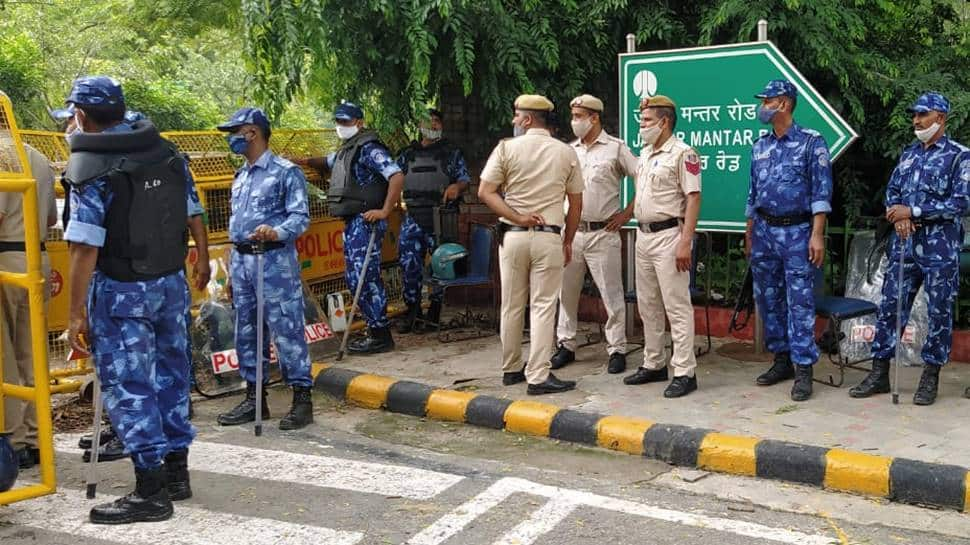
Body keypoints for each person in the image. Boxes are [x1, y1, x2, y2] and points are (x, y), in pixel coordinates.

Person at [63, 76, 207, 523]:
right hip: (169, 284)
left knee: (130, 386)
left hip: (121, 290)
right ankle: (176, 475)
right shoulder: (165, 153)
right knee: (172, 376)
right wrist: (199, 257)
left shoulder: (91, 167)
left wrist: (74, 315)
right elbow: (191, 210)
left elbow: (84, 247)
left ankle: (150, 492)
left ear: (82, 115)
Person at [850, 92, 970, 405]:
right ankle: (879, 373)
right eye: (914, 115)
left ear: (940, 119)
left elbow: (961, 203)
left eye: (923, 115)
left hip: (939, 247)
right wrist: (898, 215)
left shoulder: (960, 156)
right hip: (904, 243)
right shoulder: (909, 154)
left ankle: (930, 376)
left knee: (939, 310)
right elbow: (892, 193)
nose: (916, 121)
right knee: (891, 306)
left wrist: (914, 213)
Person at [214, 107, 314, 429]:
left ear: (253, 133)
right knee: (248, 331)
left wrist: (277, 231)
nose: (232, 139)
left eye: (235, 132)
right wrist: (232, 270)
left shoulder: (286, 172)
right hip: (243, 262)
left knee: (286, 328)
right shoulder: (240, 176)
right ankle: (254, 399)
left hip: (273, 261)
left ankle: (302, 399)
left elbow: (300, 217)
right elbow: (236, 226)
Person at [478, 94, 584, 395]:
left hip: (512, 237)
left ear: (527, 120)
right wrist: (568, 240)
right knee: (542, 306)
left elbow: (486, 192)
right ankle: (538, 375)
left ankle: (511, 369)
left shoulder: (505, 149)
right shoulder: (565, 153)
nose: (513, 121)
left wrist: (518, 216)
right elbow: (576, 204)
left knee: (512, 305)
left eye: (516, 115)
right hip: (549, 237)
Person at [744, 79, 833, 402]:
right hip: (765, 231)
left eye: (767, 101)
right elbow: (753, 193)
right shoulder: (760, 145)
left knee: (800, 301)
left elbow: (821, 193)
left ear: (783, 104)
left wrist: (817, 234)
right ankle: (781, 360)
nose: (762, 106)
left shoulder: (812, 142)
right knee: (768, 299)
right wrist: (749, 232)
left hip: (798, 232)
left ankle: (804, 368)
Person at [299, 101, 404, 354]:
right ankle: (373, 328)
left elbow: (396, 175)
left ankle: (381, 334)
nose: (340, 126)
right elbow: (326, 161)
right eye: (338, 121)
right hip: (354, 222)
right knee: (356, 277)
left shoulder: (369, 148)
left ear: (359, 122)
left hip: (367, 220)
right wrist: (298, 161)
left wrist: (385, 211)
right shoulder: (349, 148)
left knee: (365, 277)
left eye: (345, 122)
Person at [550, 94, 637, 375]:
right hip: (571, 232)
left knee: (612, 294)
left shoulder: (615, 149)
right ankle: (566, 344)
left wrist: (627, 213)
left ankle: (617, 349)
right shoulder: (569, 150)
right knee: (566, 292)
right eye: (573, 116)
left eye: (579, 116)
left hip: (603, 232)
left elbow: (643, 178)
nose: (575, 121)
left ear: (594, 117)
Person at [622, 95, 702, 398]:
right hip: (643, 236)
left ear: (664, 122)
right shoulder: (644, 153)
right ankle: (654, 363)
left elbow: (693, 198)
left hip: (670, 236)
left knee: (677, 306)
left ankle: (684, 370)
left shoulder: (684, 154)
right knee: (648, 304)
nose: (641, 126)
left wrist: (686, 241)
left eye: (646, 121)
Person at [0, 144, 57, 470]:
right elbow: (49, 217)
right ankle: (38, 438)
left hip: (6, 258)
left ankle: (15, 441)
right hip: (37, 256)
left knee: (5, 356)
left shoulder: (1, 153)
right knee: (33, 353)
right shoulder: (35, 153)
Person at [395, 108, 470, 333]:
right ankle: (413, 311)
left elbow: (464, 178)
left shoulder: (451, 153)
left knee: (441, 265)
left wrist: (457, 186)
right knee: (409, 265)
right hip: (413, 218)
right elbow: (392, 178)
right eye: (429, 121)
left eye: (437, 121)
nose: (434, 125)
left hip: (441, 216)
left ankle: (434, 312)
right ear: (419, 126)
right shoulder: (406, 155)